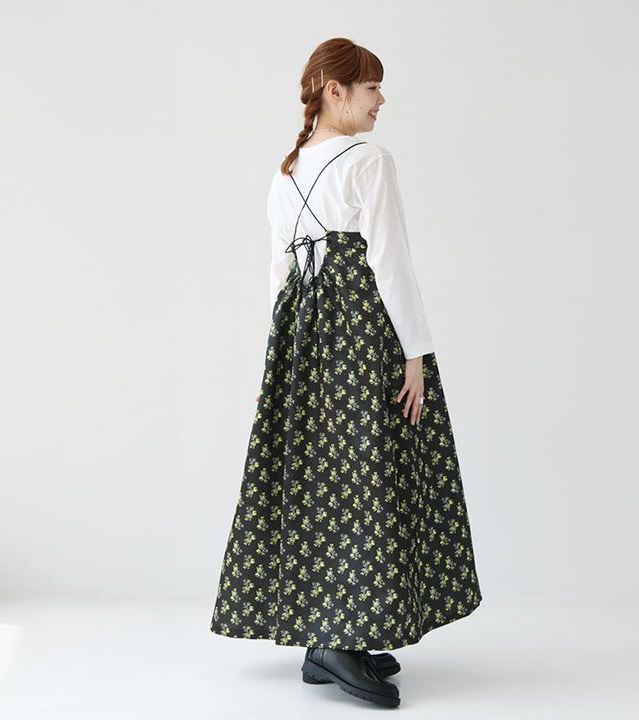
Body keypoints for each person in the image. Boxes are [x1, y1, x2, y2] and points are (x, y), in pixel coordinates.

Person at [210, 37, 482, 708]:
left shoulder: (286, 173)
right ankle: (337, 640)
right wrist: (415, 353)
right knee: (368, 474)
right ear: (336, 90)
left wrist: (278, 363)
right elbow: (390, 261)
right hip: (362, 333)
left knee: (321, 478)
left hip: (303, 340)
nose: (381, 100)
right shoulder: (369, 161)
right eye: (371, 88)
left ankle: (329, 639)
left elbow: (280, 274)